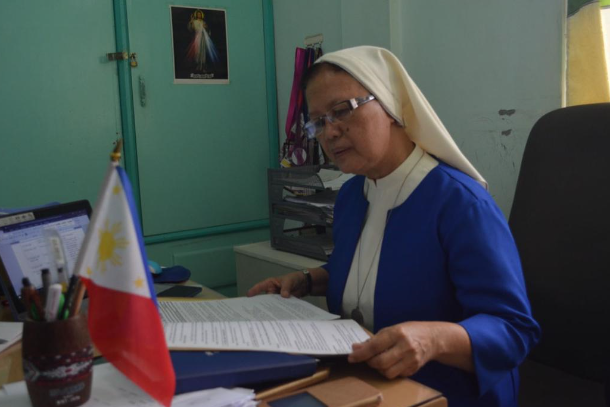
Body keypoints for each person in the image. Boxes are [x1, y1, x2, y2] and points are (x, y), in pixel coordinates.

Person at [247, 46, 540, 407]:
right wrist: (308, 280)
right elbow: (371, 269)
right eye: (318, 122)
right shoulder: (353, 193)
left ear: (389, 105)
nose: (330, 133)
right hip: (367, 383)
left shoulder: (460, 203)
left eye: (341, 111)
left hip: (447, 394)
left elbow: (514, 330)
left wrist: (433, 339)